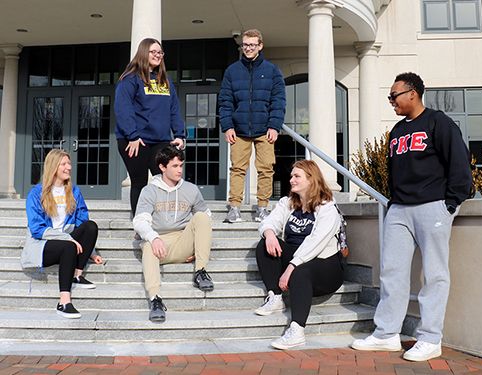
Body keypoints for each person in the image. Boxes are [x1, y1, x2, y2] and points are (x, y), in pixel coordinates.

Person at [351, 73, 473, 361]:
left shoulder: (438, 122)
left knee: (434, 274)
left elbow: (459, 161)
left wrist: (451, 203)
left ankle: (431, 338)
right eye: (390, 97)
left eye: (394, 96)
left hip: (433, 207)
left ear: (413, 94)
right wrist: (394, 202)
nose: (391, 101)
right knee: (391, 273)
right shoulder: (395, 131)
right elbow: (394, 173)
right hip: (400, 209)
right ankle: (386, 334)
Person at [254, 160, 344, 349]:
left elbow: (315, 243)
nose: (291, 180)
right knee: (265, 244)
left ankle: (296, 330)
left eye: (297, 176)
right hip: (297, 259)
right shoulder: (288, 203)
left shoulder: (327, 208)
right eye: (291, 176)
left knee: (301, 271)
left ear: (311, 180)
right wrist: (270, 234)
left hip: (325, 266)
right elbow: (269, 222)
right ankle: (275, 296)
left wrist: (290, 268)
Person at [133, 145, 214, 323]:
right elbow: (140, 221)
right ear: (162, 167)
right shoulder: (149, 191)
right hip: (160, 243)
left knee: (201, 217)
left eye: (181, 165)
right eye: (175, 166)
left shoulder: (191, 189)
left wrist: (197, 248)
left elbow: (206, 218)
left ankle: (200, 271)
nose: (180, 170)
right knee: (147, 245)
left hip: (183, 240)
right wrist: (153, 238)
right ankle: (155, 300)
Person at [21, 149, 102, 319]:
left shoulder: (73, 191)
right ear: (53, 167)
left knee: (90, 226)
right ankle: (64, 302)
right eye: (64, 164)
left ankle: (77, 275)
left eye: (69, 163)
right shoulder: (36, 193)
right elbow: (37, 229)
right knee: (67, 246)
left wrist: (91, 252)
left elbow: (82, 220)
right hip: (43, 244)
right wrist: (68, 239)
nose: (69, 167)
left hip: (67, 241)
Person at [219, 29, 286, 223]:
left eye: (252, 45)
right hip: (238, 130)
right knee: (237, 169)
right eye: (245, 45)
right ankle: (234, 208)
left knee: (266, 169)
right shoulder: (232, 71)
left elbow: (278, 101)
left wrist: (274, 126)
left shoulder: (272, 71)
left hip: (265, 129)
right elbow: (225, 101)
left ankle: (263, 208)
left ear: (260, 46)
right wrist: (227, 127)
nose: (248, 48)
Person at [115, 37, 185, 216]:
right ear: (143, 53)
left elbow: (174, 108)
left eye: (160, 52)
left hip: (160, 140)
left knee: (165, 180)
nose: (157, 55)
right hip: (135, 140)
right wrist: (132, 135)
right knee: (138, 182)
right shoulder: (130, 79)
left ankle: (165, 220)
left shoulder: (165, 81)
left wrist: (179, 134)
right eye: (153, 52)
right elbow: (123, 108)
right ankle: (140, 223)